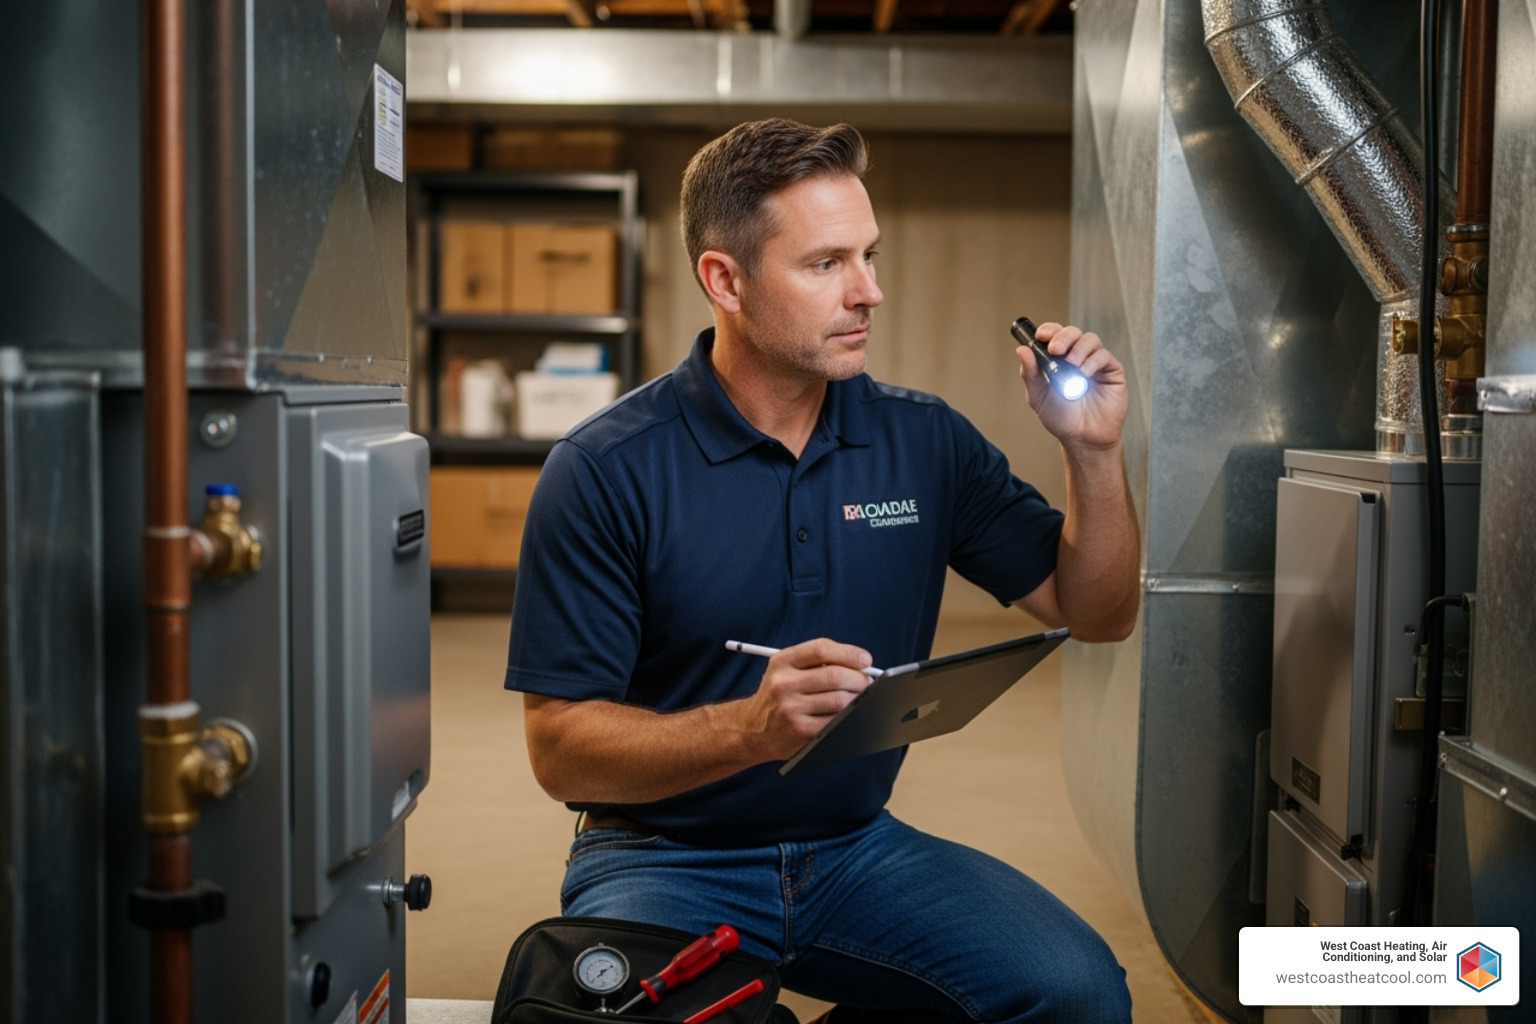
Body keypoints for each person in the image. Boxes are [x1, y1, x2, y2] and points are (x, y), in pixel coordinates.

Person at [504, 119, 1140, 1024]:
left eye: (871, 256)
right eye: (826, 264)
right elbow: (558, 749)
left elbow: (1100, 611)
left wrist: (1096, 454)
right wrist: (751, 729)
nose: (870, 293)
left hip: (853, 850)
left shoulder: (924, 442)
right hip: (660, 856)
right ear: (724, 280)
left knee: (1078, 994)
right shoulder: (607, 468)